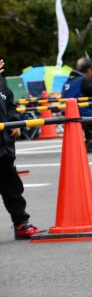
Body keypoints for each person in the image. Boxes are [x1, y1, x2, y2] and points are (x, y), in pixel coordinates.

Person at [0, 59, 44, 240]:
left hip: (4, 146)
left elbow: (10, 104)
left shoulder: (1, 81)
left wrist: (15, 122)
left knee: (13, 187)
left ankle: (21, 224)